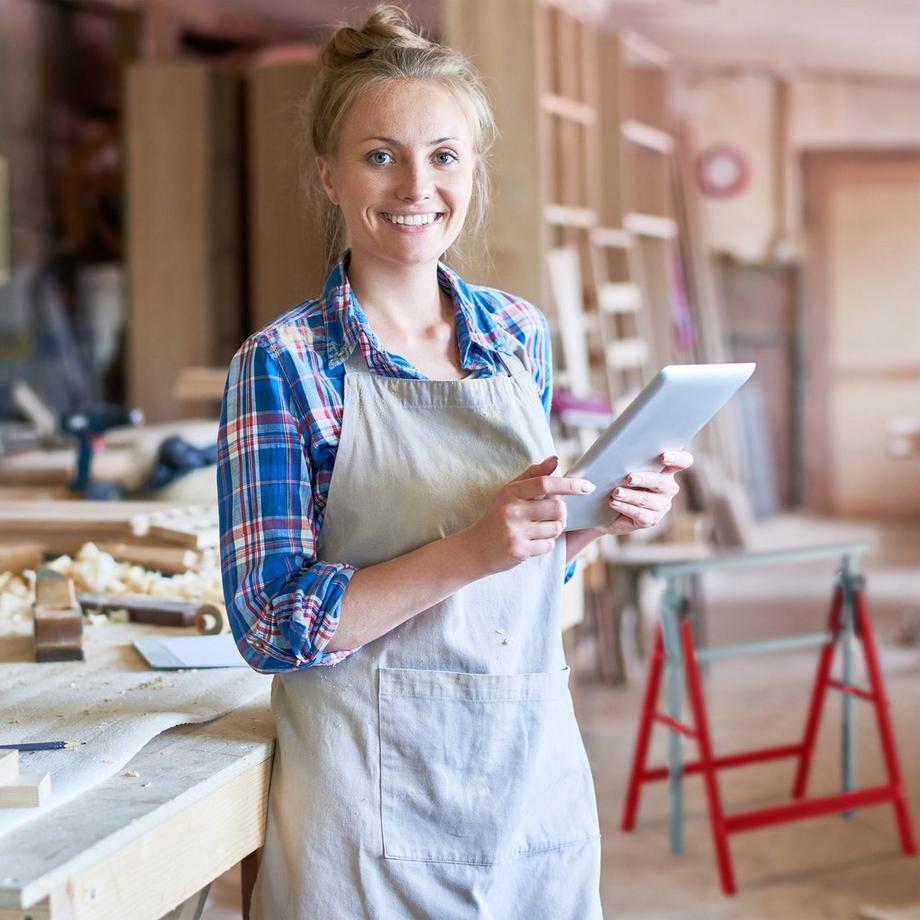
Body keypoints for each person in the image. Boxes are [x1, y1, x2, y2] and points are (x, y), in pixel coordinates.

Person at [217, 6, 692, 917]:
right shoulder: (284, 365)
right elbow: (271, 626)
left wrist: (592, 522)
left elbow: (517, 581)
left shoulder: (516, 334)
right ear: (329, 174)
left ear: (473, 169)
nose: (417, 186)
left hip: (527, 787)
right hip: (364, 812)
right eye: (380, 155)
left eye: (444, 155)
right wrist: (474, 548)